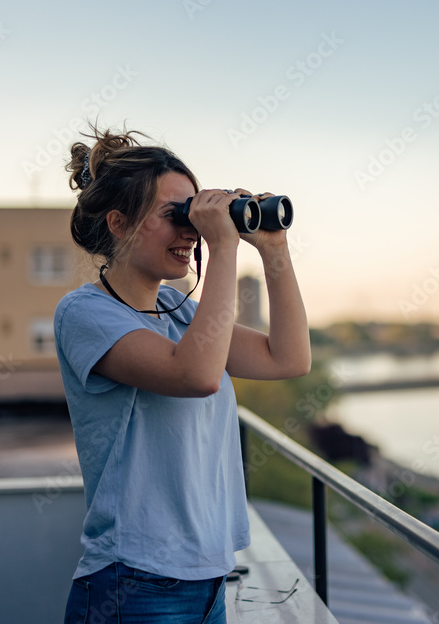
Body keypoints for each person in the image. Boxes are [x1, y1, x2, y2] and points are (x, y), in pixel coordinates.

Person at [53, 125, 311, 623]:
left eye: (196, 213)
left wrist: (273, 248)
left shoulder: (178, 310)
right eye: (176, 215)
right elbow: (196, 375)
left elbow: (289, 358)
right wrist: (225, 249)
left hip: (209, 575)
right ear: (119, 224)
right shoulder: (85, 314)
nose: (191, 230)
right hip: (135, 581)